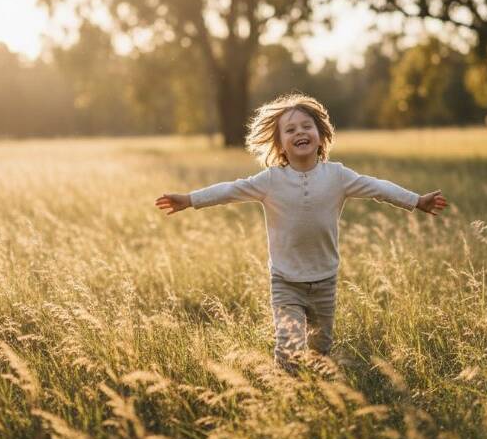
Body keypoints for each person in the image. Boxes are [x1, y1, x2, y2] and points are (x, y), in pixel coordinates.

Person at [155, 93, 448, 373]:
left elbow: (378, 188)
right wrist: (190, 199)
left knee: (320, 347)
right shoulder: (270, 180)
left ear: (321, 135)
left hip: (324, 279)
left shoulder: (338, 176)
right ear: (280, 144)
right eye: (290, 129)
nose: (300, 132)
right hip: (285, 280)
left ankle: (316, 390)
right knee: (289, 345)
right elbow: (230, 190)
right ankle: (286, 389)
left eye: (307, 126)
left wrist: (416, 200)